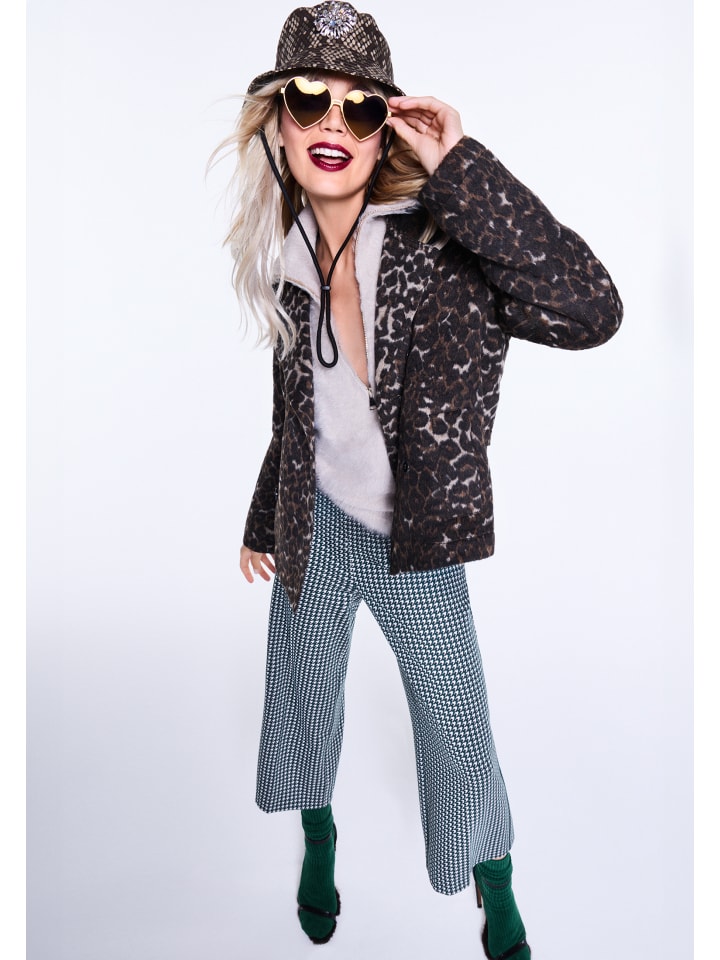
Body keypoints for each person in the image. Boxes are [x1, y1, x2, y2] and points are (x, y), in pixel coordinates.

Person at [218, 2, 622, 955]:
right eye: (308, 99)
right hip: (315, 521)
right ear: (278, 122)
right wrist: (264, 517)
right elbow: (299, 416)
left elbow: (591, 309)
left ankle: (495, 876)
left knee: (455, 721)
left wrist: (462, 168)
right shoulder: (287, 262)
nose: (332, 123)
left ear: (386, 130)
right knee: (302, 688)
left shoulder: (441, 244)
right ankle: (319, 832)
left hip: (415, 542)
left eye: (360, 107)